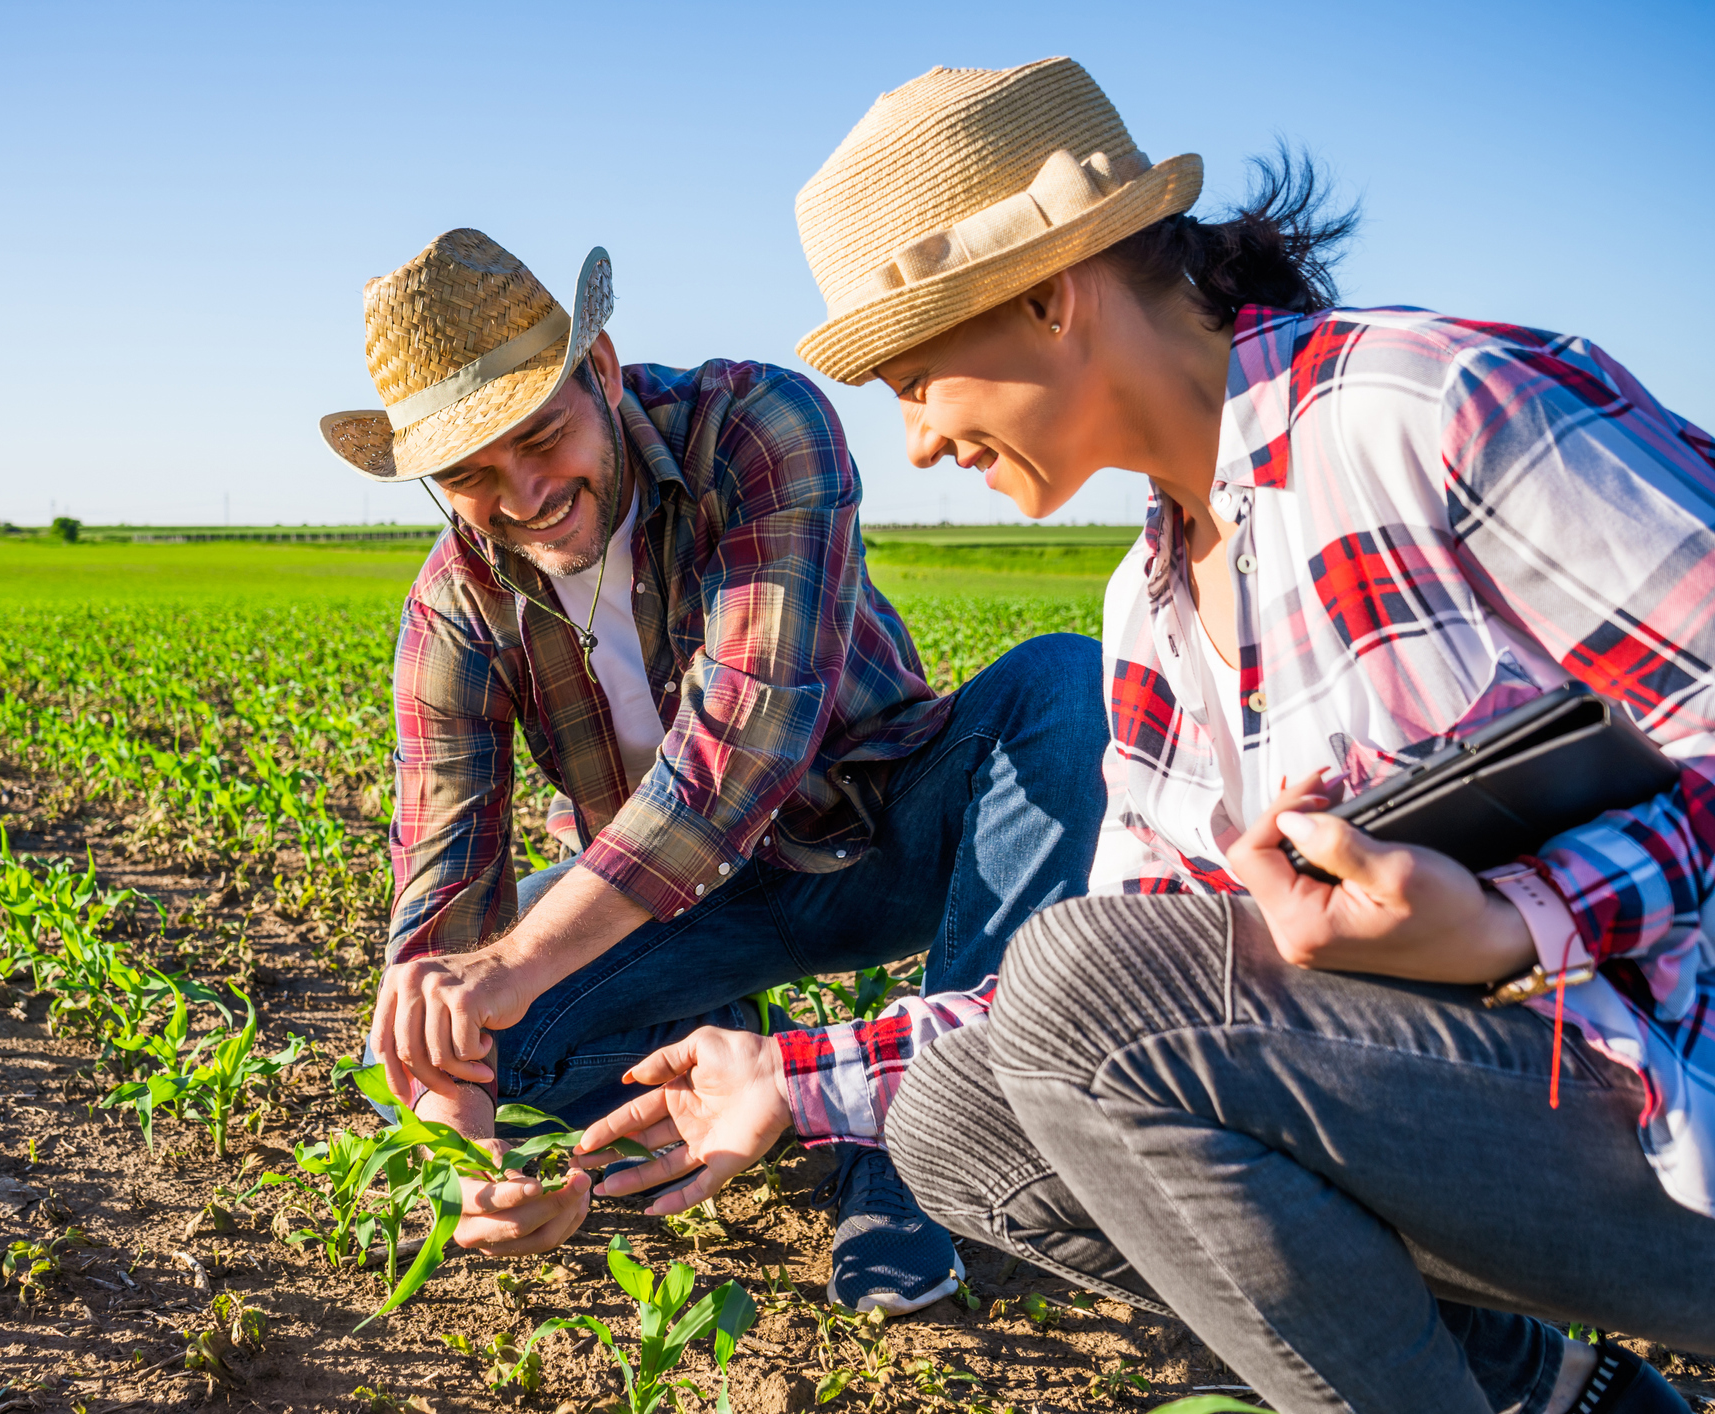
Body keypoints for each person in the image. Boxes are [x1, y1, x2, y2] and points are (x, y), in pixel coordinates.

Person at [578, 60, 1715, 1414]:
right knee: (963, 1128)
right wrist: (791, 1073)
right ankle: (1554, 1391)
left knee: (1078, 991)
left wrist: (1508, 918)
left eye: (914, 376)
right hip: (1500, 1126)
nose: (922, 441)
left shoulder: (1424, 407)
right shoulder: (1151, 600)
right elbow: (1124, 981)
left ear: (1052, 292)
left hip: (1665, 1098)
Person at [317, 228, 1108, 1311]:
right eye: (471, 476)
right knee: (438, 1047)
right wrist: (471, 1152)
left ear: (599, 369)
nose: (526, 492)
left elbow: (740, 753)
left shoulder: (755, 428)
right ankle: (741, 1074)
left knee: (1066, 685)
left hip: (876, 838)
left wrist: (506, 973)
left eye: (543, 437)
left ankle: (911, 1150)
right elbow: (440, 893)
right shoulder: (455, 608)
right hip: (672, 915)